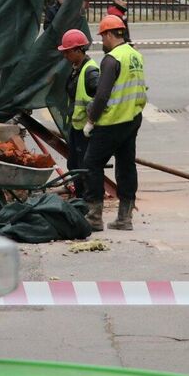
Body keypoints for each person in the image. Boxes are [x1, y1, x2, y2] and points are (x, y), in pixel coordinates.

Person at [81, 14, 146, 231]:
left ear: (110, 34)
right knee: (126, 166)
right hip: (132, 119)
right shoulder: (135, 55)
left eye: (103, 37)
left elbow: (101, 95)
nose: (102, 42)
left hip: (111, 122)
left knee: (92, 163)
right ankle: (125, 217)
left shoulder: (112, 59)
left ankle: (94, 216)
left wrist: (91, 120)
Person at [57, 28, 103, 176]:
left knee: (84, 167)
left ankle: (86, 196)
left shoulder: (90, 72)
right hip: (77, 127)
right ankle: (79, 195)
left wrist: (91, 122)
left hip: (86, 130)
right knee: (74, 165)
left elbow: (101, 98)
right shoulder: (76, 68)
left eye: (67, 51)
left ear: (78, 50)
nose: (65, 55)